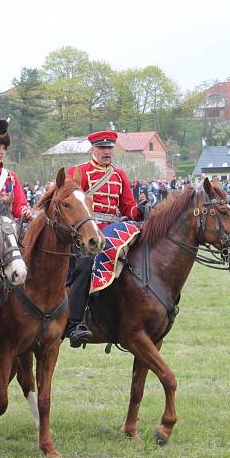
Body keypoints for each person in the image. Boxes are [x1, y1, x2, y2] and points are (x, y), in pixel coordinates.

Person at [64, 130, 145, 347]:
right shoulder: (79, 172)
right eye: (102, 148)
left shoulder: (119, 175)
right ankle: (74, 324)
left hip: (115, 229)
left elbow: (128, 207)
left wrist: (140, 211)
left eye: (109, 148)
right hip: (87, 232)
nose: (106, 152)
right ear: (93, 149)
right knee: (86, 265)